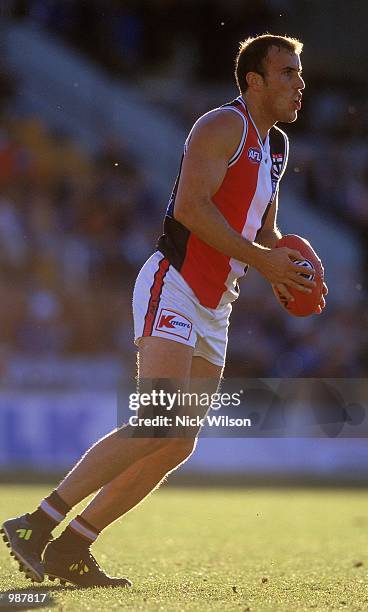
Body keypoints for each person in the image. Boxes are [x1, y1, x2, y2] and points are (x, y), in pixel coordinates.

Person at [1, 34, 327, 588]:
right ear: (255, 81)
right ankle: (37, 524)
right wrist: (266, 264)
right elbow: (191, 209)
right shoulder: (222, 126)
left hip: (217, 304)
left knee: (178, 441)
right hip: (173, 285)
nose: (300, 84)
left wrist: (283, 265)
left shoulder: (276, 147)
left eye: (300, 74)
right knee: (157, 423)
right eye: (288, 73)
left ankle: (73, 546)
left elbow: (261, 226)